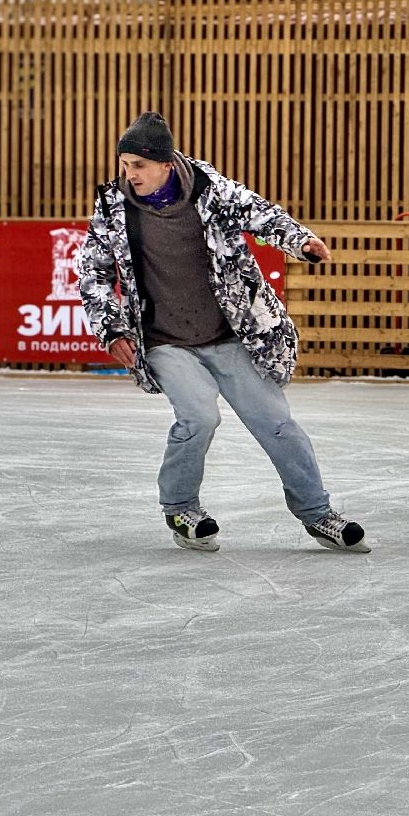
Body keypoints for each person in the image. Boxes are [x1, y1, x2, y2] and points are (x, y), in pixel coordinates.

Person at [76, 111, 369, 554]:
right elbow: (94, 273)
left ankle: (318, 515)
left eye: (137, 165)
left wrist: (300, 241)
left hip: (230, 333)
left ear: (165, 164)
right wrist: (112, 328)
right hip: (165, 341)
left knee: (278, 425)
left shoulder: (213, 191)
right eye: (124, 164)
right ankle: (180, 507)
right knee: (199, 417)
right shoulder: (112, 207)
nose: (127, 174)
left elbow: (263, 215)